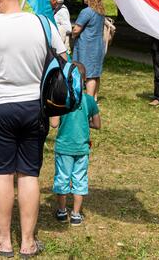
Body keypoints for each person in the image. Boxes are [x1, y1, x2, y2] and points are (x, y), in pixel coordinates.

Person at [0, 0, 66, 258]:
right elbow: (62, 56)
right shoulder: (42, 23)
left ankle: (3, 240)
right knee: (28, 174)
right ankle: (28, 242)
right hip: (34, 105)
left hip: (0, 106)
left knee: (1, 174)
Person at [51, 66, 101, 227]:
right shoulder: (89, 100)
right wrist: (85, 124)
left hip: (64, 147)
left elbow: (54, 123)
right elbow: (97, 124)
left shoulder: (61, 98)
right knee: (80, 180)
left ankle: (61, 211)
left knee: (62, 178)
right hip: (82, 148)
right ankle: (76, 214)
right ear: (85, 80)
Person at [72, 0, 106, 100]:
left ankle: (89, 100)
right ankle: (95, 98)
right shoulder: (100, 11)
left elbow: (76, 29)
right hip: (98, 46)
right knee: (95, 73)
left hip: (86, 47)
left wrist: (72, 34)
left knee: (88, 74)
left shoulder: (86, 11)